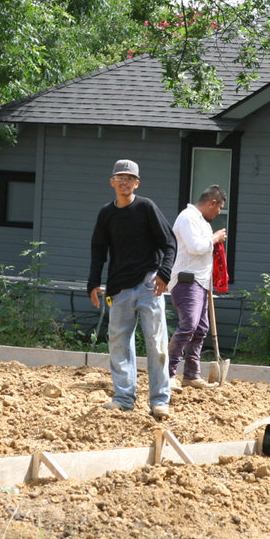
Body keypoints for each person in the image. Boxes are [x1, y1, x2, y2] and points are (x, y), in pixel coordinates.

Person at [88, 159, 176, 417]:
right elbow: (98, 250)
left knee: (156, 343)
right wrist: (93, 283)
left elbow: (169, 242)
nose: (124, 182)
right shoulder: (107, 214)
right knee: (118, 344)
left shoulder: (146, 208)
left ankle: (159, 400)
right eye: (120, 177)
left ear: (136, 183)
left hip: (149, 284)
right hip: (118, 289)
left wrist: (164, 273)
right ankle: (124, 398)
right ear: (112, 182)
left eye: (129, 178)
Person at [167, 185, 228, 390]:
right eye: (218, 209)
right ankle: (168, 374)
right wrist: (215, 238)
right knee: (189, 326)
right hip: (187, 281)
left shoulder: (202, 222)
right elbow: (195, 248)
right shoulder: (188, 218)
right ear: (212, 203)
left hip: (201, 282)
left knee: (201, 329)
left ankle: (191, 375)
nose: (218, 213)